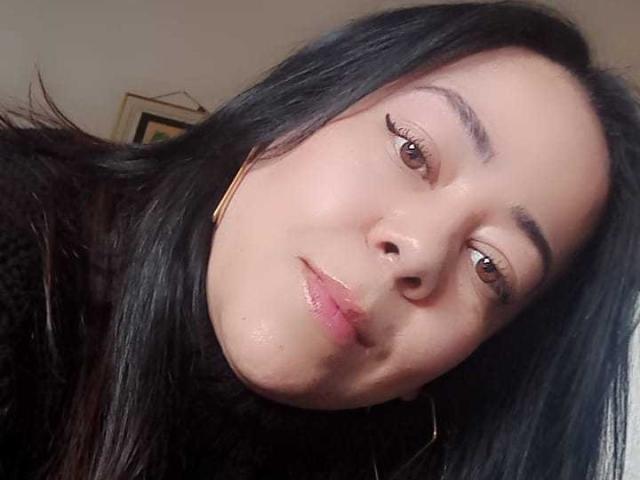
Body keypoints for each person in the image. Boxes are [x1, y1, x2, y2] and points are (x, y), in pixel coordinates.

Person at [0, 1, 638, 479]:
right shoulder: (26, 235)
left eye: (489, 265)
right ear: (289, 119)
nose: (419, 251)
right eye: (413, 151)